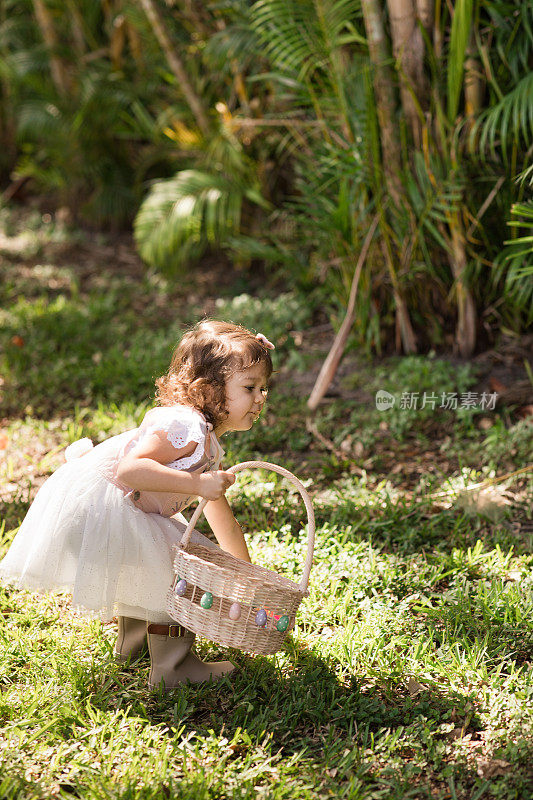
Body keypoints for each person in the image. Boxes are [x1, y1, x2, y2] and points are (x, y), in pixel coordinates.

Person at [0, 320, 274, 689]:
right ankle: (172, 669)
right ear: (209, 390)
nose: (261, 398)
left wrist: (248, 581)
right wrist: (195, 483)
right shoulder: (186, 426)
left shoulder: (206, 444)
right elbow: (130, 470)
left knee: (146, 564)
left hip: (112, 511)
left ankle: (135, 643)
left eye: (263, 388)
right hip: (98, 508)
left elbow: (222, 518)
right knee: (176, 572)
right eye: (250, 387)